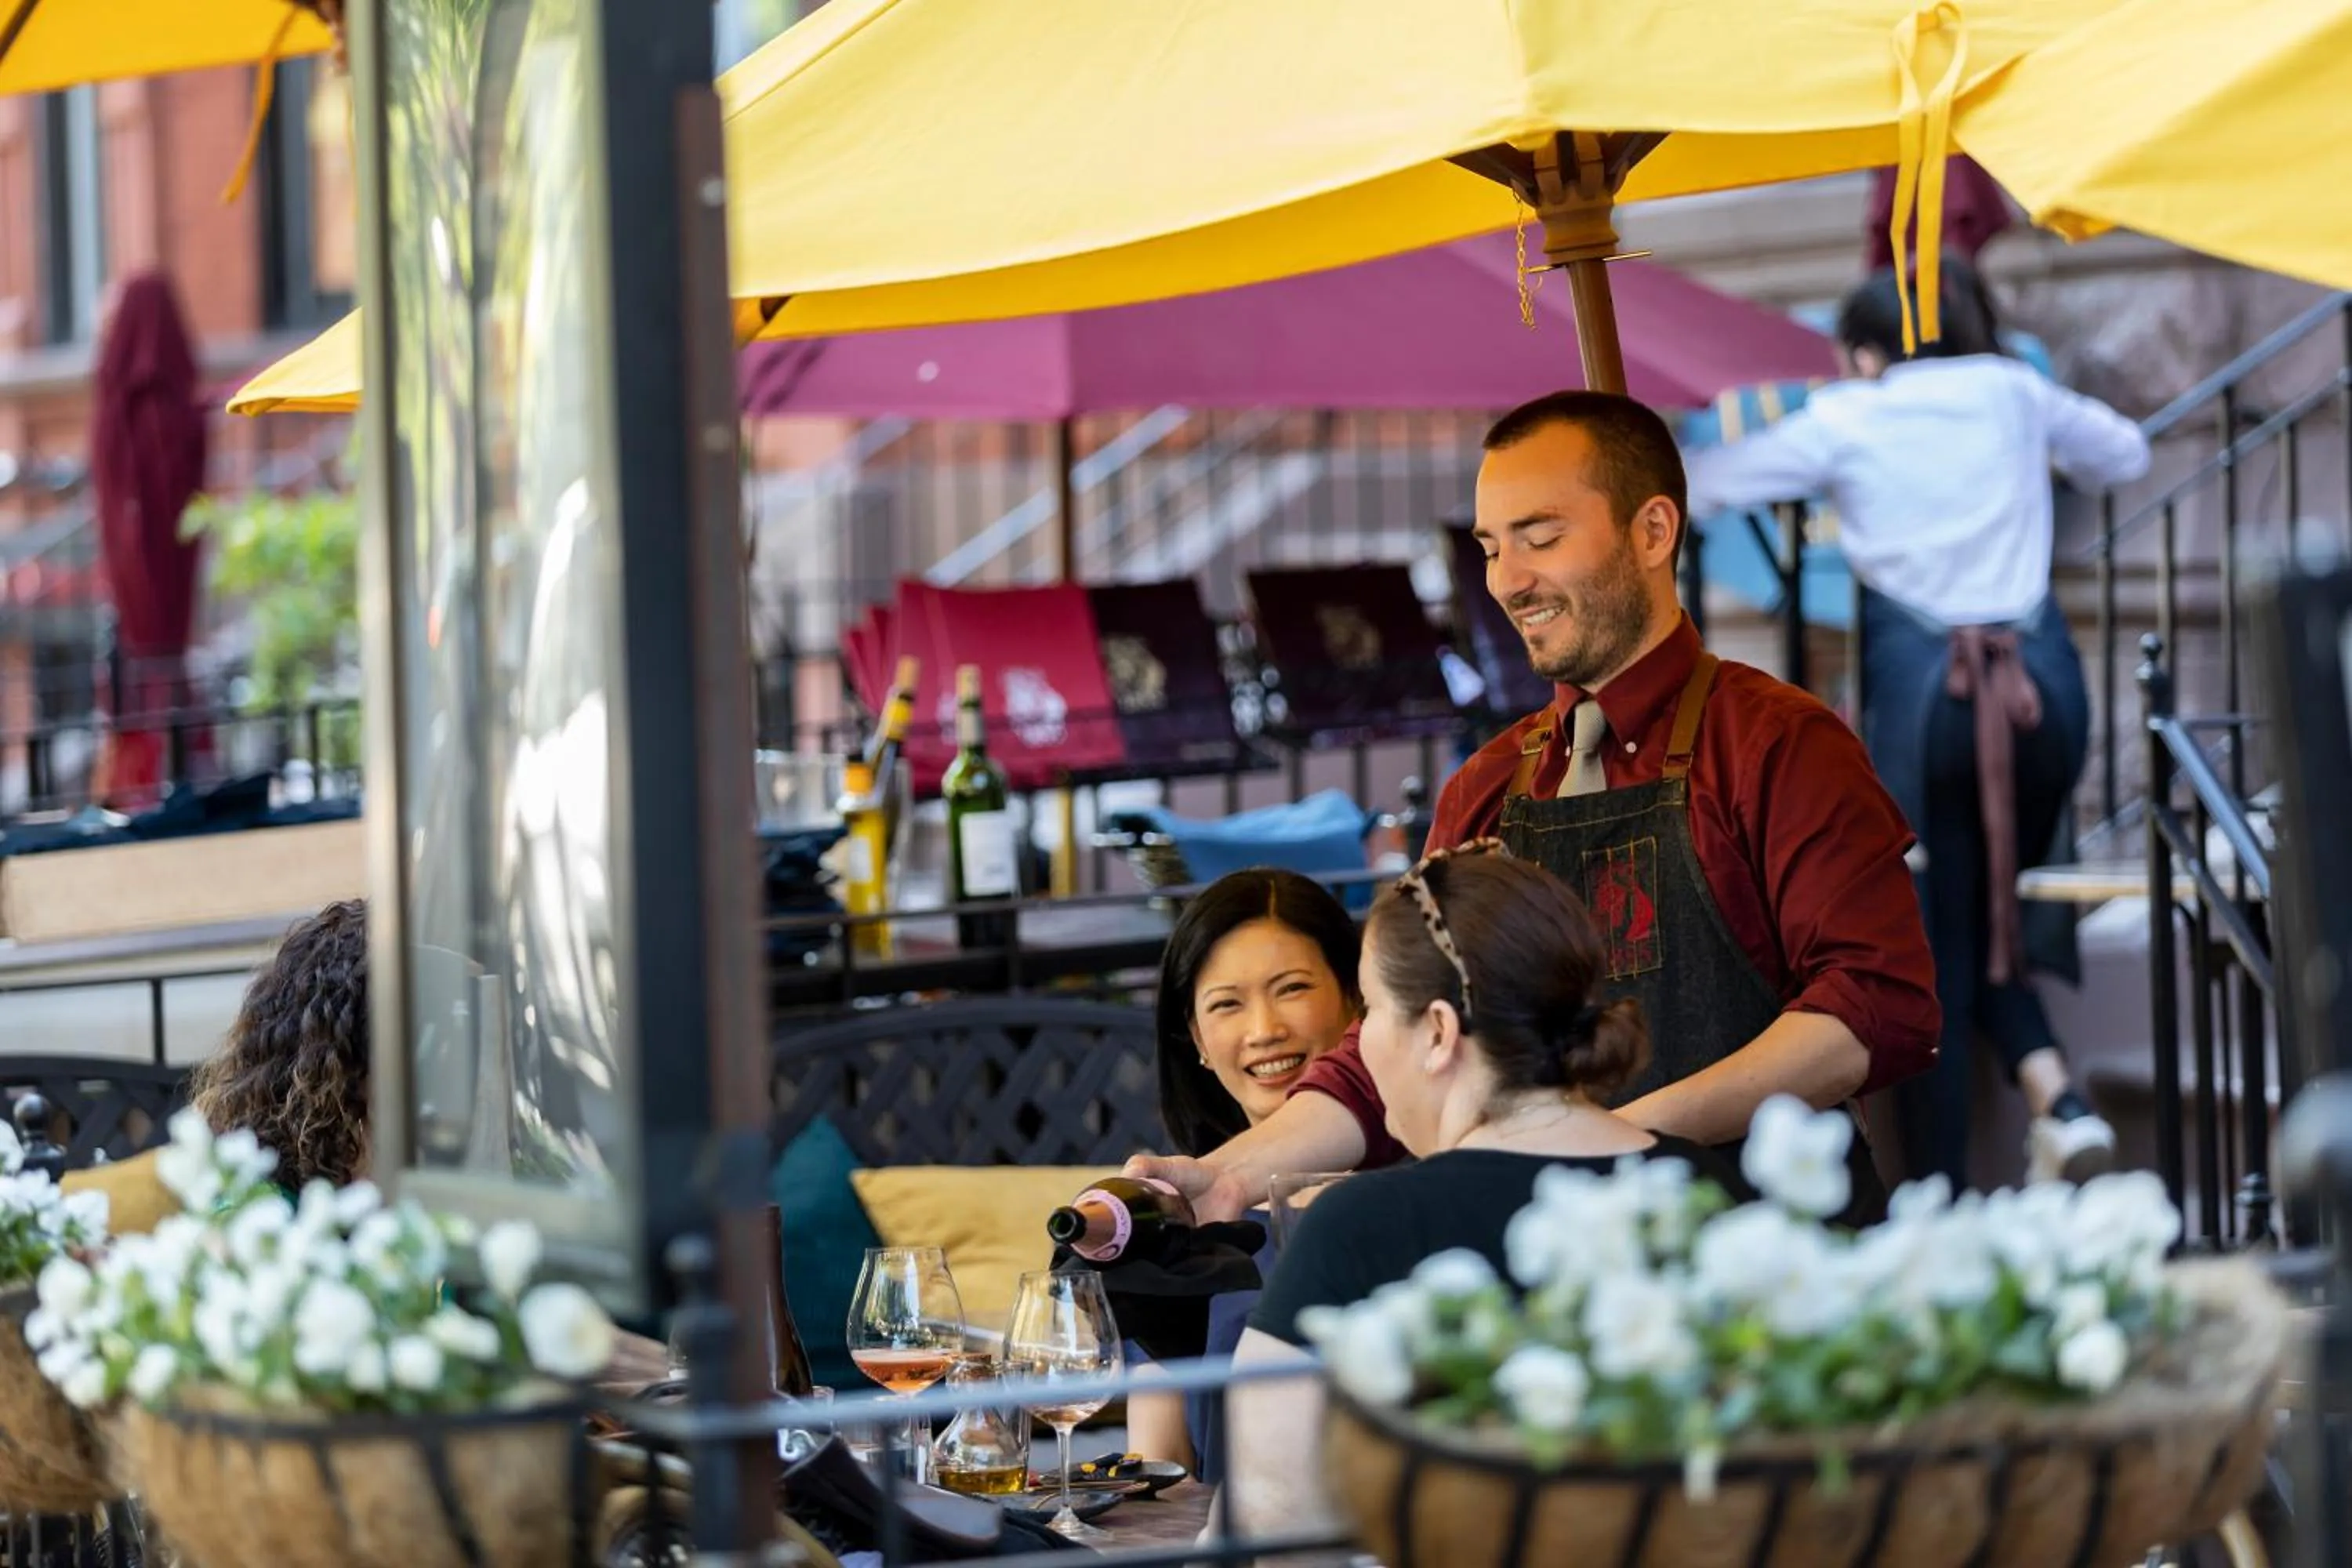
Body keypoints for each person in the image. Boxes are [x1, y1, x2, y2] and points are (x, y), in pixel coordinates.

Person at [1129, 390, 1938, 1225]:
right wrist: (1226, 1174)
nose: (1509, 582)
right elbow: (1399, 1044)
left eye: (1541, 537)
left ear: (1654, 532)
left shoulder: (1780, 743)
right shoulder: (1485, 785)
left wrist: (1609, 1140)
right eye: (1490, 548)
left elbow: (1875, 1007)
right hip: (1544, 1265)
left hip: (1770, 1252)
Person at [1684, 267, 2150, 1187]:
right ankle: (2057, 1097)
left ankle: (1938, 1193)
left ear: (1864, 350)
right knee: (1984, 912)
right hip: (2044, 691)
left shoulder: (1853, 413)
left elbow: (1710, 483)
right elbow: (2125, 456)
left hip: (1926, 698)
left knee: (1926, 940)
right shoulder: (2017, 389)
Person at [1218, 844, 1726, 1531]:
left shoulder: (1362, 1227)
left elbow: (1268, 1521)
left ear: (1436, 1032)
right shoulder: (1711, 1189)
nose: (1358, 1040)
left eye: (1369, 1010)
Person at [1129, 869, 1361, 1479]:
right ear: (1198, 1039)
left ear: (1356, 1001)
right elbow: (1158, 1470)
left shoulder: (1416, 1198)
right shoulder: (1184, 1223)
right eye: (1227, 1003)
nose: (1264, 1031)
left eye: (1291, 989)